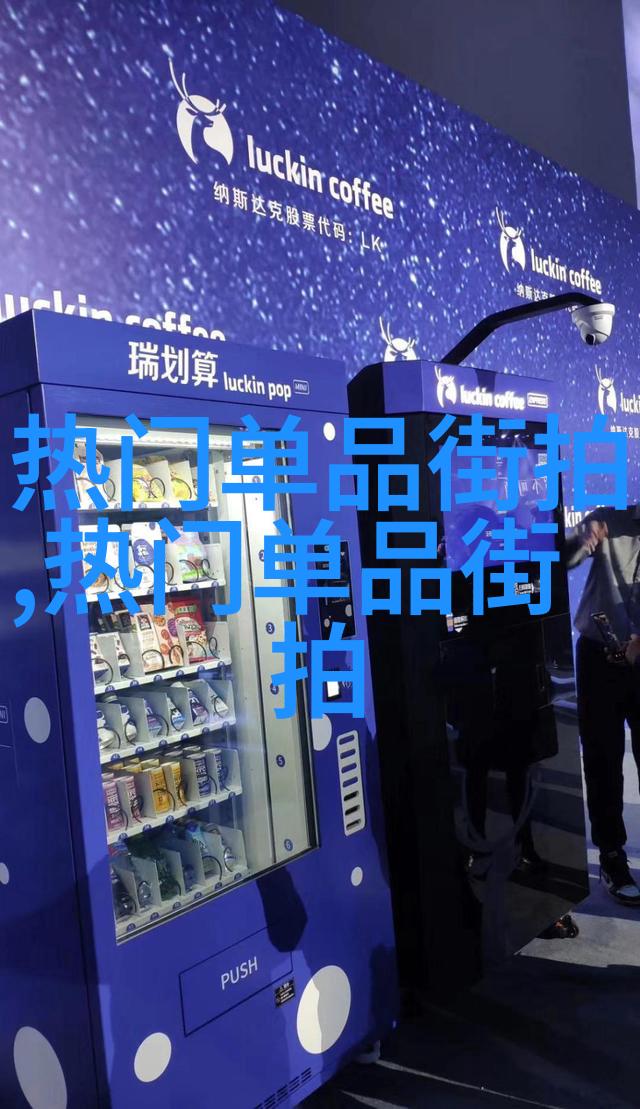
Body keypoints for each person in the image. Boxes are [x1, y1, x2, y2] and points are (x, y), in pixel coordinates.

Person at [566, 506, 640, 906]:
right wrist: (582, 538)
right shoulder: (608, 518)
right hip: (600, 657)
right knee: (602, 759)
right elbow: (564, 557)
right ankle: (611, 856)